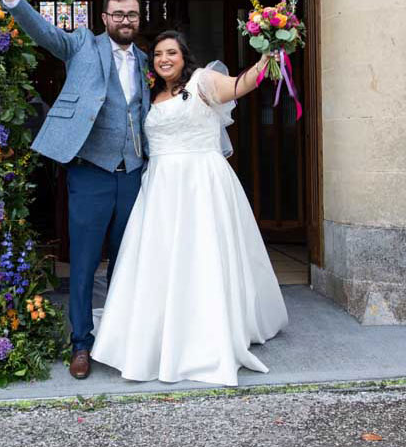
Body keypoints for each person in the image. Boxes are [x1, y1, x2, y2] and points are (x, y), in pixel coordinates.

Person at [90, 30, 289, 386]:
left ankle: (206, 335)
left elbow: (242, 85)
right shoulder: (150, 95)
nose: (164, 59)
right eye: (157, 54)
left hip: (201, 182)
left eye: (171, 53)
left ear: (184, 56)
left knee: (203, 253)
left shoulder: (202, 82)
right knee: (161, 259)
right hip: (161, 187)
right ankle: (159, 332)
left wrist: (267, 55)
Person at [0, 0, 150, 379]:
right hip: (90, 171)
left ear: (139, 18)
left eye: (132, 14)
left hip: (134, 173)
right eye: (118, 14)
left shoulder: (147, 61)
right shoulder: (81, 45)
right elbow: (45, 33)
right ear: (105, 18)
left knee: (129, 262)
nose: (125, 20)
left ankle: (122, 341)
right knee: (84, 262)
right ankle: (81, 344)